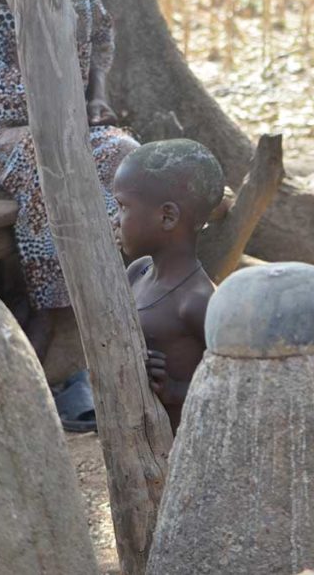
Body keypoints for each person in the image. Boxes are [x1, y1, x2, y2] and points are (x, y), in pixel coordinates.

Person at [0, 0, 138, 373]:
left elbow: (101, 38)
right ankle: (51, 315)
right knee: (47, 159)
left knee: (128, 156)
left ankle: (122, 298)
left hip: (74, 126)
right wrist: (67, 110)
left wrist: (97, 97)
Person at [113, 139, 224, 434]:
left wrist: (175, 391)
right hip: (137, 445)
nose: (116, 219)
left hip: (182, 453)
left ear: (167, 216)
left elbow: (233, 386)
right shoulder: (138, 272)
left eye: (123, 207)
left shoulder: (197, 301)